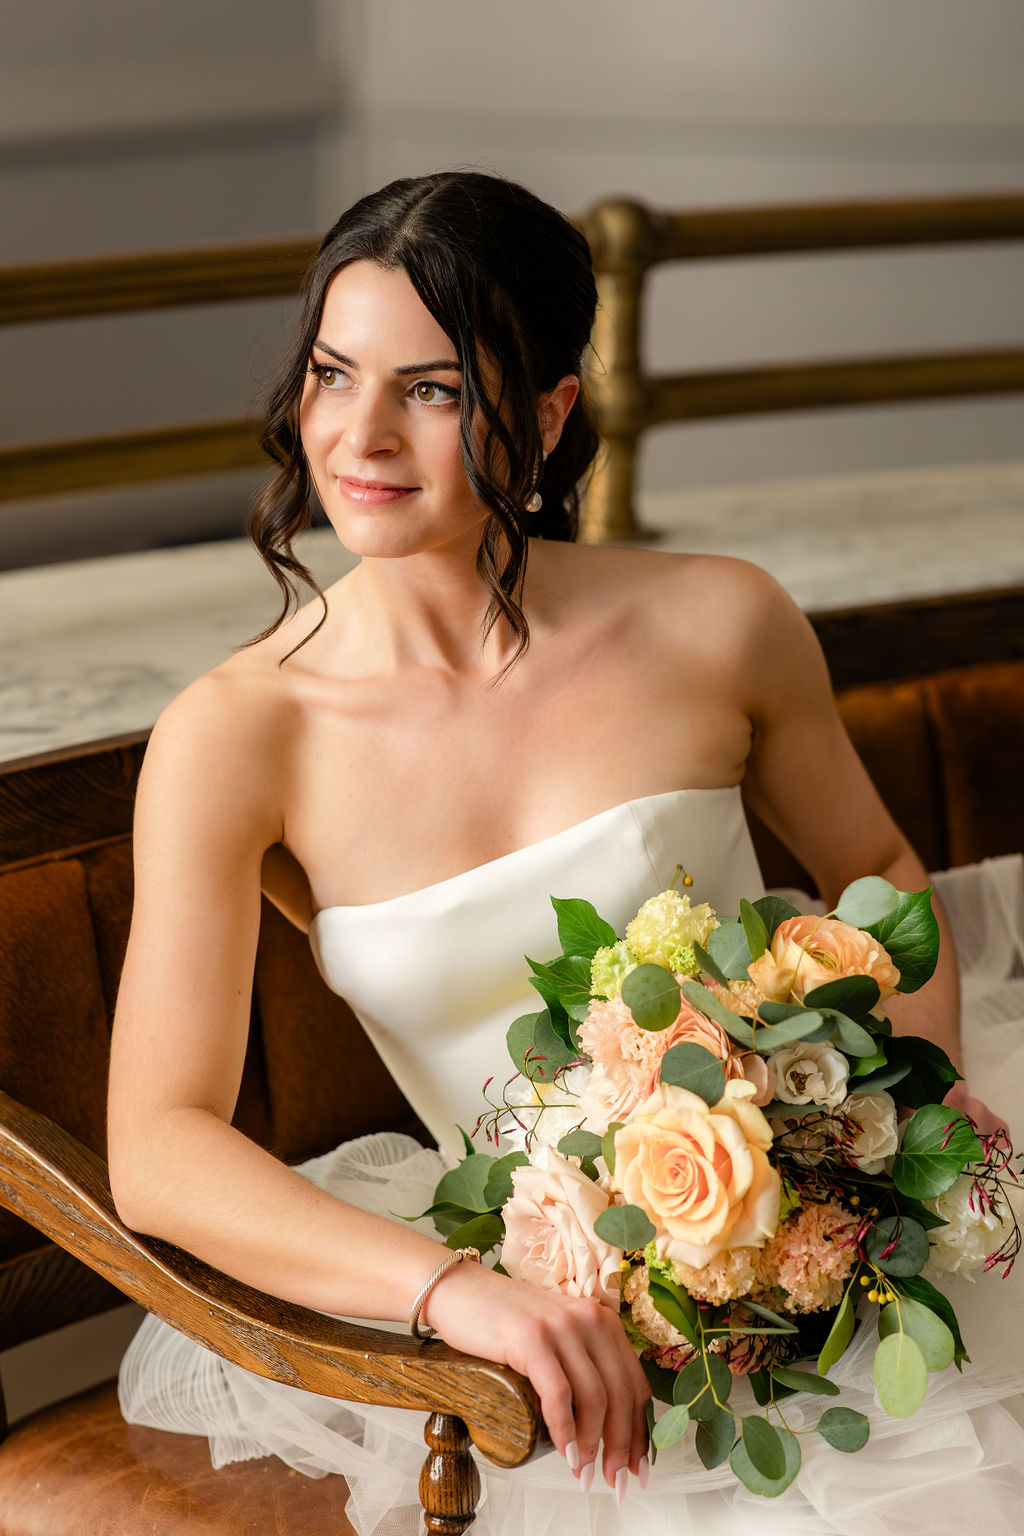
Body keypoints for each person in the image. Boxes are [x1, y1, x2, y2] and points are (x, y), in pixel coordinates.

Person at [108, 171, 1024, 1535]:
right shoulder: (235, 735)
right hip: (529, 1310)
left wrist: (877, 1167)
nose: (356, 436)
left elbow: (880, 876)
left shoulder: (719, 623)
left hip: (826, 1254)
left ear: (544, 415)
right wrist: (461, 1294)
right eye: (331, 373)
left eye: (430, 390)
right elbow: (157, 1148)